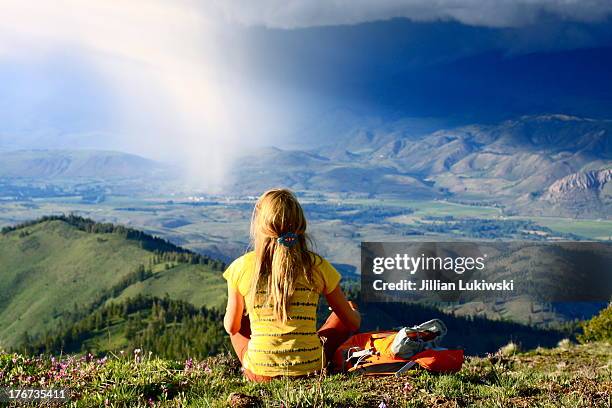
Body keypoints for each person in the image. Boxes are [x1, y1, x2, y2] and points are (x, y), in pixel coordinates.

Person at [223, 188, 361, 382]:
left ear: (260, 225)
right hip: (311, 370)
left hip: (261, 375)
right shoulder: (318, 266)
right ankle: (307, 353)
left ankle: (262, 361)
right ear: (300, 224)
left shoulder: (241, 267)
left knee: (239, 322)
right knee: (349, 308)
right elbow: (353, 323)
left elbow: (231, 327)